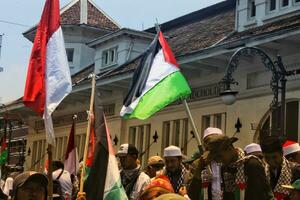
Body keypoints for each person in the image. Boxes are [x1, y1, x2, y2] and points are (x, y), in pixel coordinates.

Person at [190, 135, 274, 200]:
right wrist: (199, 168)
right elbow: (228, 195)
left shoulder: (252, 164)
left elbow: (259, 196)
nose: (219, 161)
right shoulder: (226, 167)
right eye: (216, 159)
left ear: (229, 148)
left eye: (220, 156)